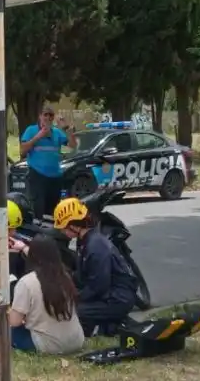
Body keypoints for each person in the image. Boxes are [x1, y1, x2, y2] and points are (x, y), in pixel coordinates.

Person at [52, 196, 138, 338]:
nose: (62, 232)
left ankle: (109, 326)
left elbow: (98, 286)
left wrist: (75, 298)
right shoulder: (84, 241)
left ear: (74, 225)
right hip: (108, 294)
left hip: (116, 298)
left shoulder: (96, 247)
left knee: (72, 312)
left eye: (64, 228)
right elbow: (82, 276)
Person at [9, 234, 86, 354]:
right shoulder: (65, 276)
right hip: (76, 341)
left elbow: (14, 322)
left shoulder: (26, 282)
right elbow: (43, 258)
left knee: (6, 330)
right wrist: (23, 247)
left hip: (48, 345)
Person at [20, 105, 77, 219]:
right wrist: (38, 136)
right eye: (45, 114)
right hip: (37, 176)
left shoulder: (56, 132)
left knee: (53, 212)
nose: (48, 117)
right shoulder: (31, 130)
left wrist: (67, 129)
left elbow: (73, 145)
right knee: (38, 210)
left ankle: (51, 234)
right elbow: (23, 150)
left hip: (55, 177)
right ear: (40, 116)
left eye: (51, 115)